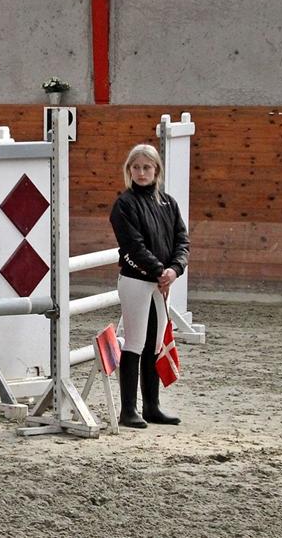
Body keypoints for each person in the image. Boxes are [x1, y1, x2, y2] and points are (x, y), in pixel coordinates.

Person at [109, 143, 190, 429]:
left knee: (155, 343)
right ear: (129, 170)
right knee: (134, 343)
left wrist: (174, 269)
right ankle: (128, 409)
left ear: (156, 170)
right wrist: (159, 272)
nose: (141, 172)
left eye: (147, 167)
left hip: (161, 282)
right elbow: (132, 245)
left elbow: (182, 240)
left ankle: (152, 405)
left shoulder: (168, 203)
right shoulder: (124, 205)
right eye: (136, 167)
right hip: (136, 281)